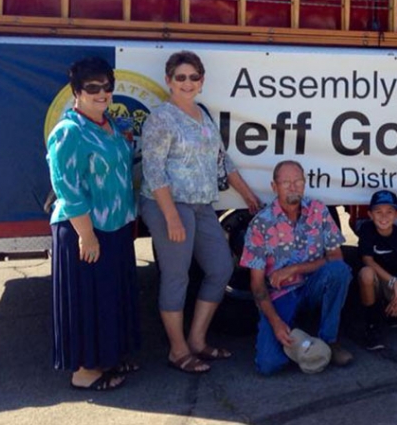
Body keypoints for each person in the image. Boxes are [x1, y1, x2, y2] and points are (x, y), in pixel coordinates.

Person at [139, 50, 261, 374]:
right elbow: (154, 172)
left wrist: (249, 195)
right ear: (168, 81)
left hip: (203, 204)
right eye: (180, 77)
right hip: (169, 205)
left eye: (194, 77)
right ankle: (177, 351)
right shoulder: (160, 118)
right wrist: (171, 216)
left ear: (202, 81)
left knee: (221, 268)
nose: (187, 83)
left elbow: (224, 160)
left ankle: (196, 340)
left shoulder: (202, 114)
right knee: (176, 276)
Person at [47, 56, 139, 391]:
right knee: (88, 301)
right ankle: (85, 372)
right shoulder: (68, 132)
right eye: (93, 87)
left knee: (110, 296)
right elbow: (67, 189)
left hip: (114, 226)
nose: (102, 93)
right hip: (84, 229)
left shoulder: (111, 124)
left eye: (107, 87)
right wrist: (86, 236)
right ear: (76, 91)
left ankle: (110, 356)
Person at [240, 160, 354, 374]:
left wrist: (294, 269)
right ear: (274, 187)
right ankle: (303, 342)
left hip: (312, 286)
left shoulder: (318, 211)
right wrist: (275, 323)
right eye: (286, 183)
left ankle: (329, 340)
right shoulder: (261, 224)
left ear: (304, 183)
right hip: (281, 295)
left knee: (339, 271)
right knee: (268, 365)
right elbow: (256, 285)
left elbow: (336, 257)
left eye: (298, 181)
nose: (293, 187)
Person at [357, 189, 397, 351]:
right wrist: (392, 281)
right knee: (366, 274)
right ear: (370, 214)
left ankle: (390, 310)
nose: (384, 217)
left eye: (389, 212)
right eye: (378, 212)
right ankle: (372, 324)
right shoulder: (366, 229)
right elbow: (367, 259)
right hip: (380, 281)